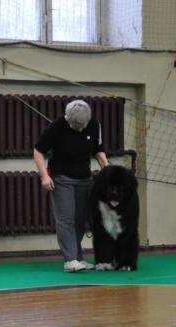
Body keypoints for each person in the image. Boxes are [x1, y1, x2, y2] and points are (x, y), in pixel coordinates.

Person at [33, 99, 109, 273]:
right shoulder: (56, 127)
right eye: (77, 126)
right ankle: (70, 261)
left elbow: (98, 148)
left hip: (85, 178)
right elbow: (38, 151)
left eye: (83, 125)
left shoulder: (94, 124)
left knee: (80, 220)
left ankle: (78, 258)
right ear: (68, 118)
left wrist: (106, 166)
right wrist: (45, 176)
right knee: (66, 219)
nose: (81, 129)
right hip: (61, 178)